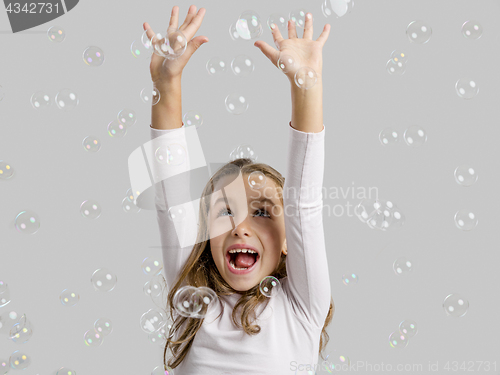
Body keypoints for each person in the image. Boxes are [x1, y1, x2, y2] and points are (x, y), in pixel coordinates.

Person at [144, 5, 334, 373]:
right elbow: (172, 199)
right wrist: (166, 84)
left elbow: (304, 204)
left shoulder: (301, 308)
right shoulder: (195, 304)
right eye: (224, 211)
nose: (239, 226)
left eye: (262, 211)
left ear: (286, 243)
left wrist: (307, 85)